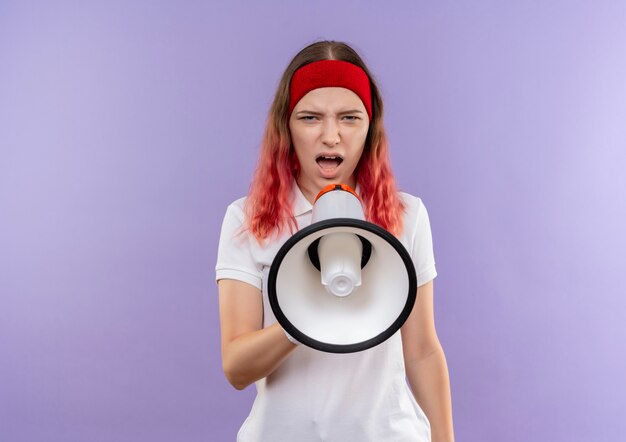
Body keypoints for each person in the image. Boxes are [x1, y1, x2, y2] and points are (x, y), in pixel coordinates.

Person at [216, 40, 454, 442]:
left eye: (349, 117)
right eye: (310, 118)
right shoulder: (248, 219)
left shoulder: (406, 216)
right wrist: (302, 319)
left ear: (369, 126)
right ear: (286, 127)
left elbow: (422, 351)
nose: (331, 136)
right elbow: (237, 368)